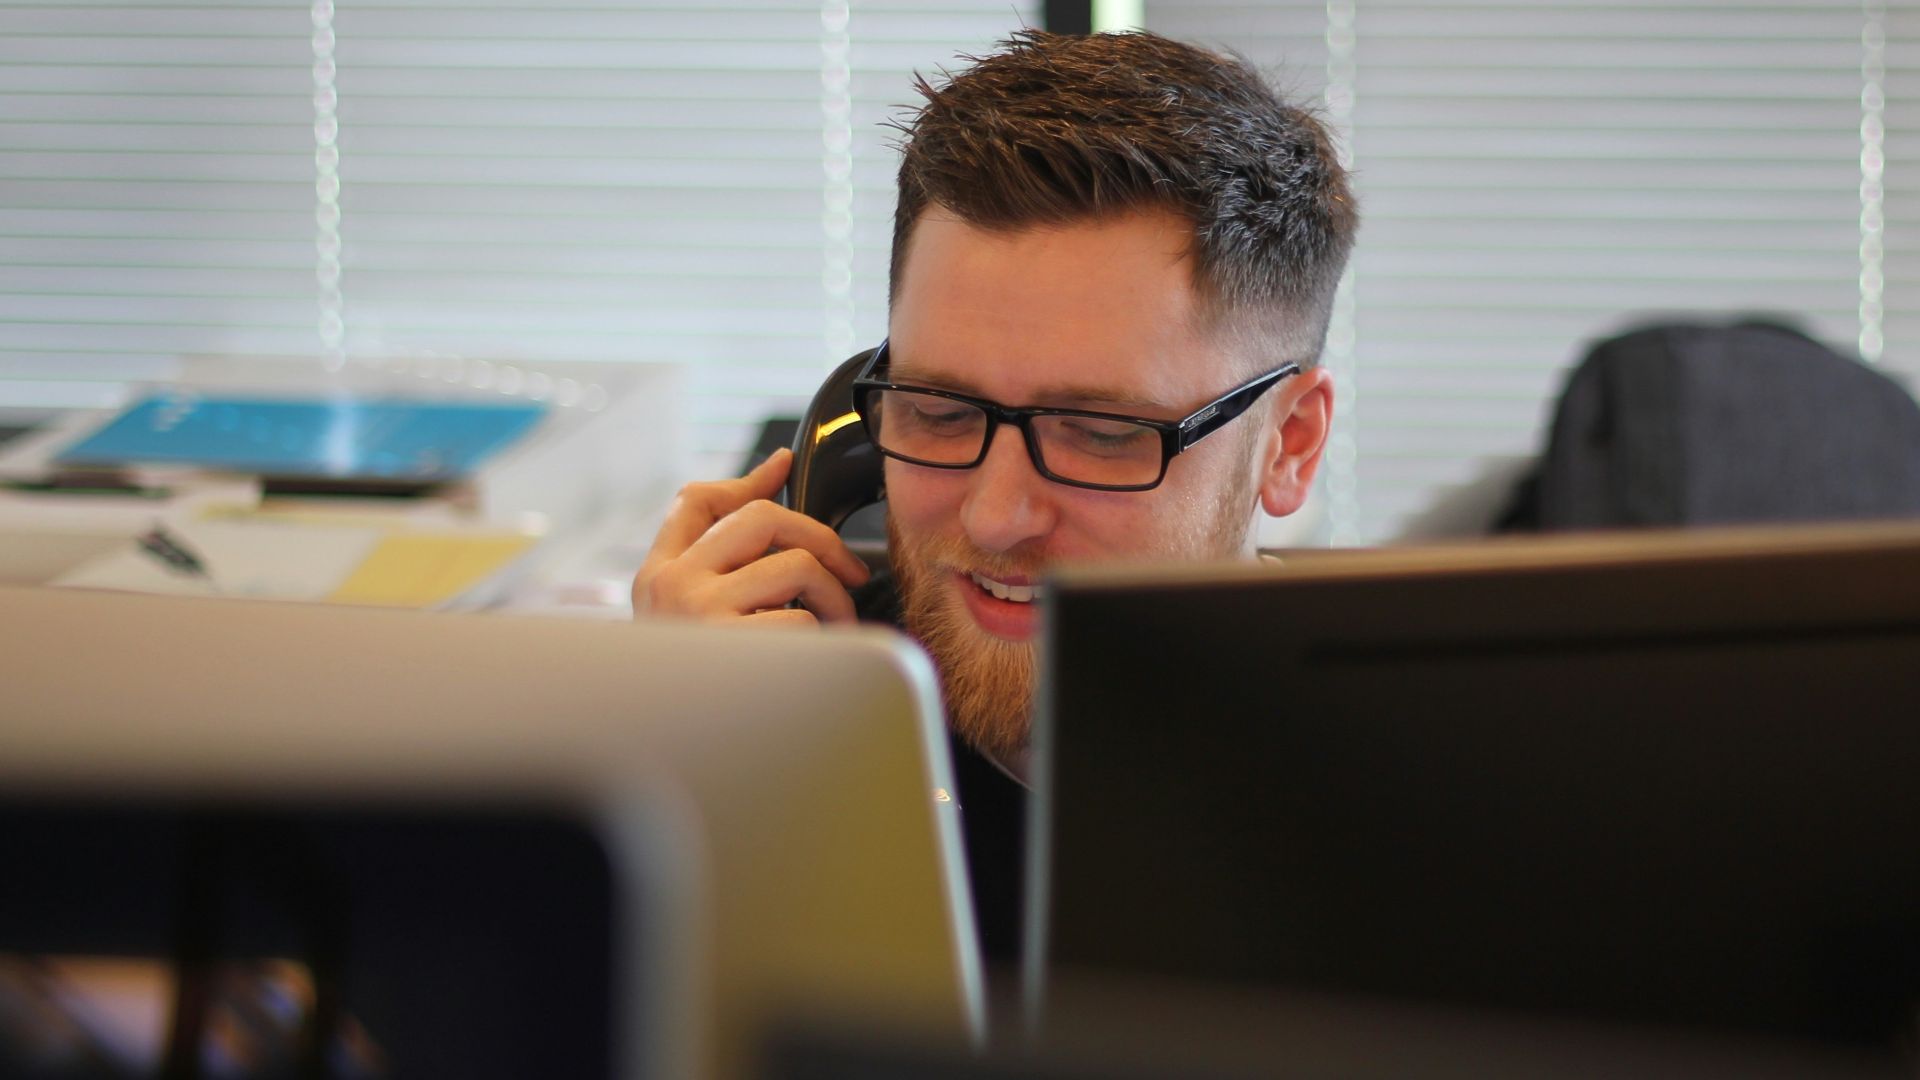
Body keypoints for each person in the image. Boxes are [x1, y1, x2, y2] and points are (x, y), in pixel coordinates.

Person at [632, 29, 1357, 963]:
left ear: (1289, 444)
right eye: (937, 410)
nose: (994, 517)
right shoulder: (768, 714)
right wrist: (661, 767)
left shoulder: (1428, 813)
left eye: (1101, 433)